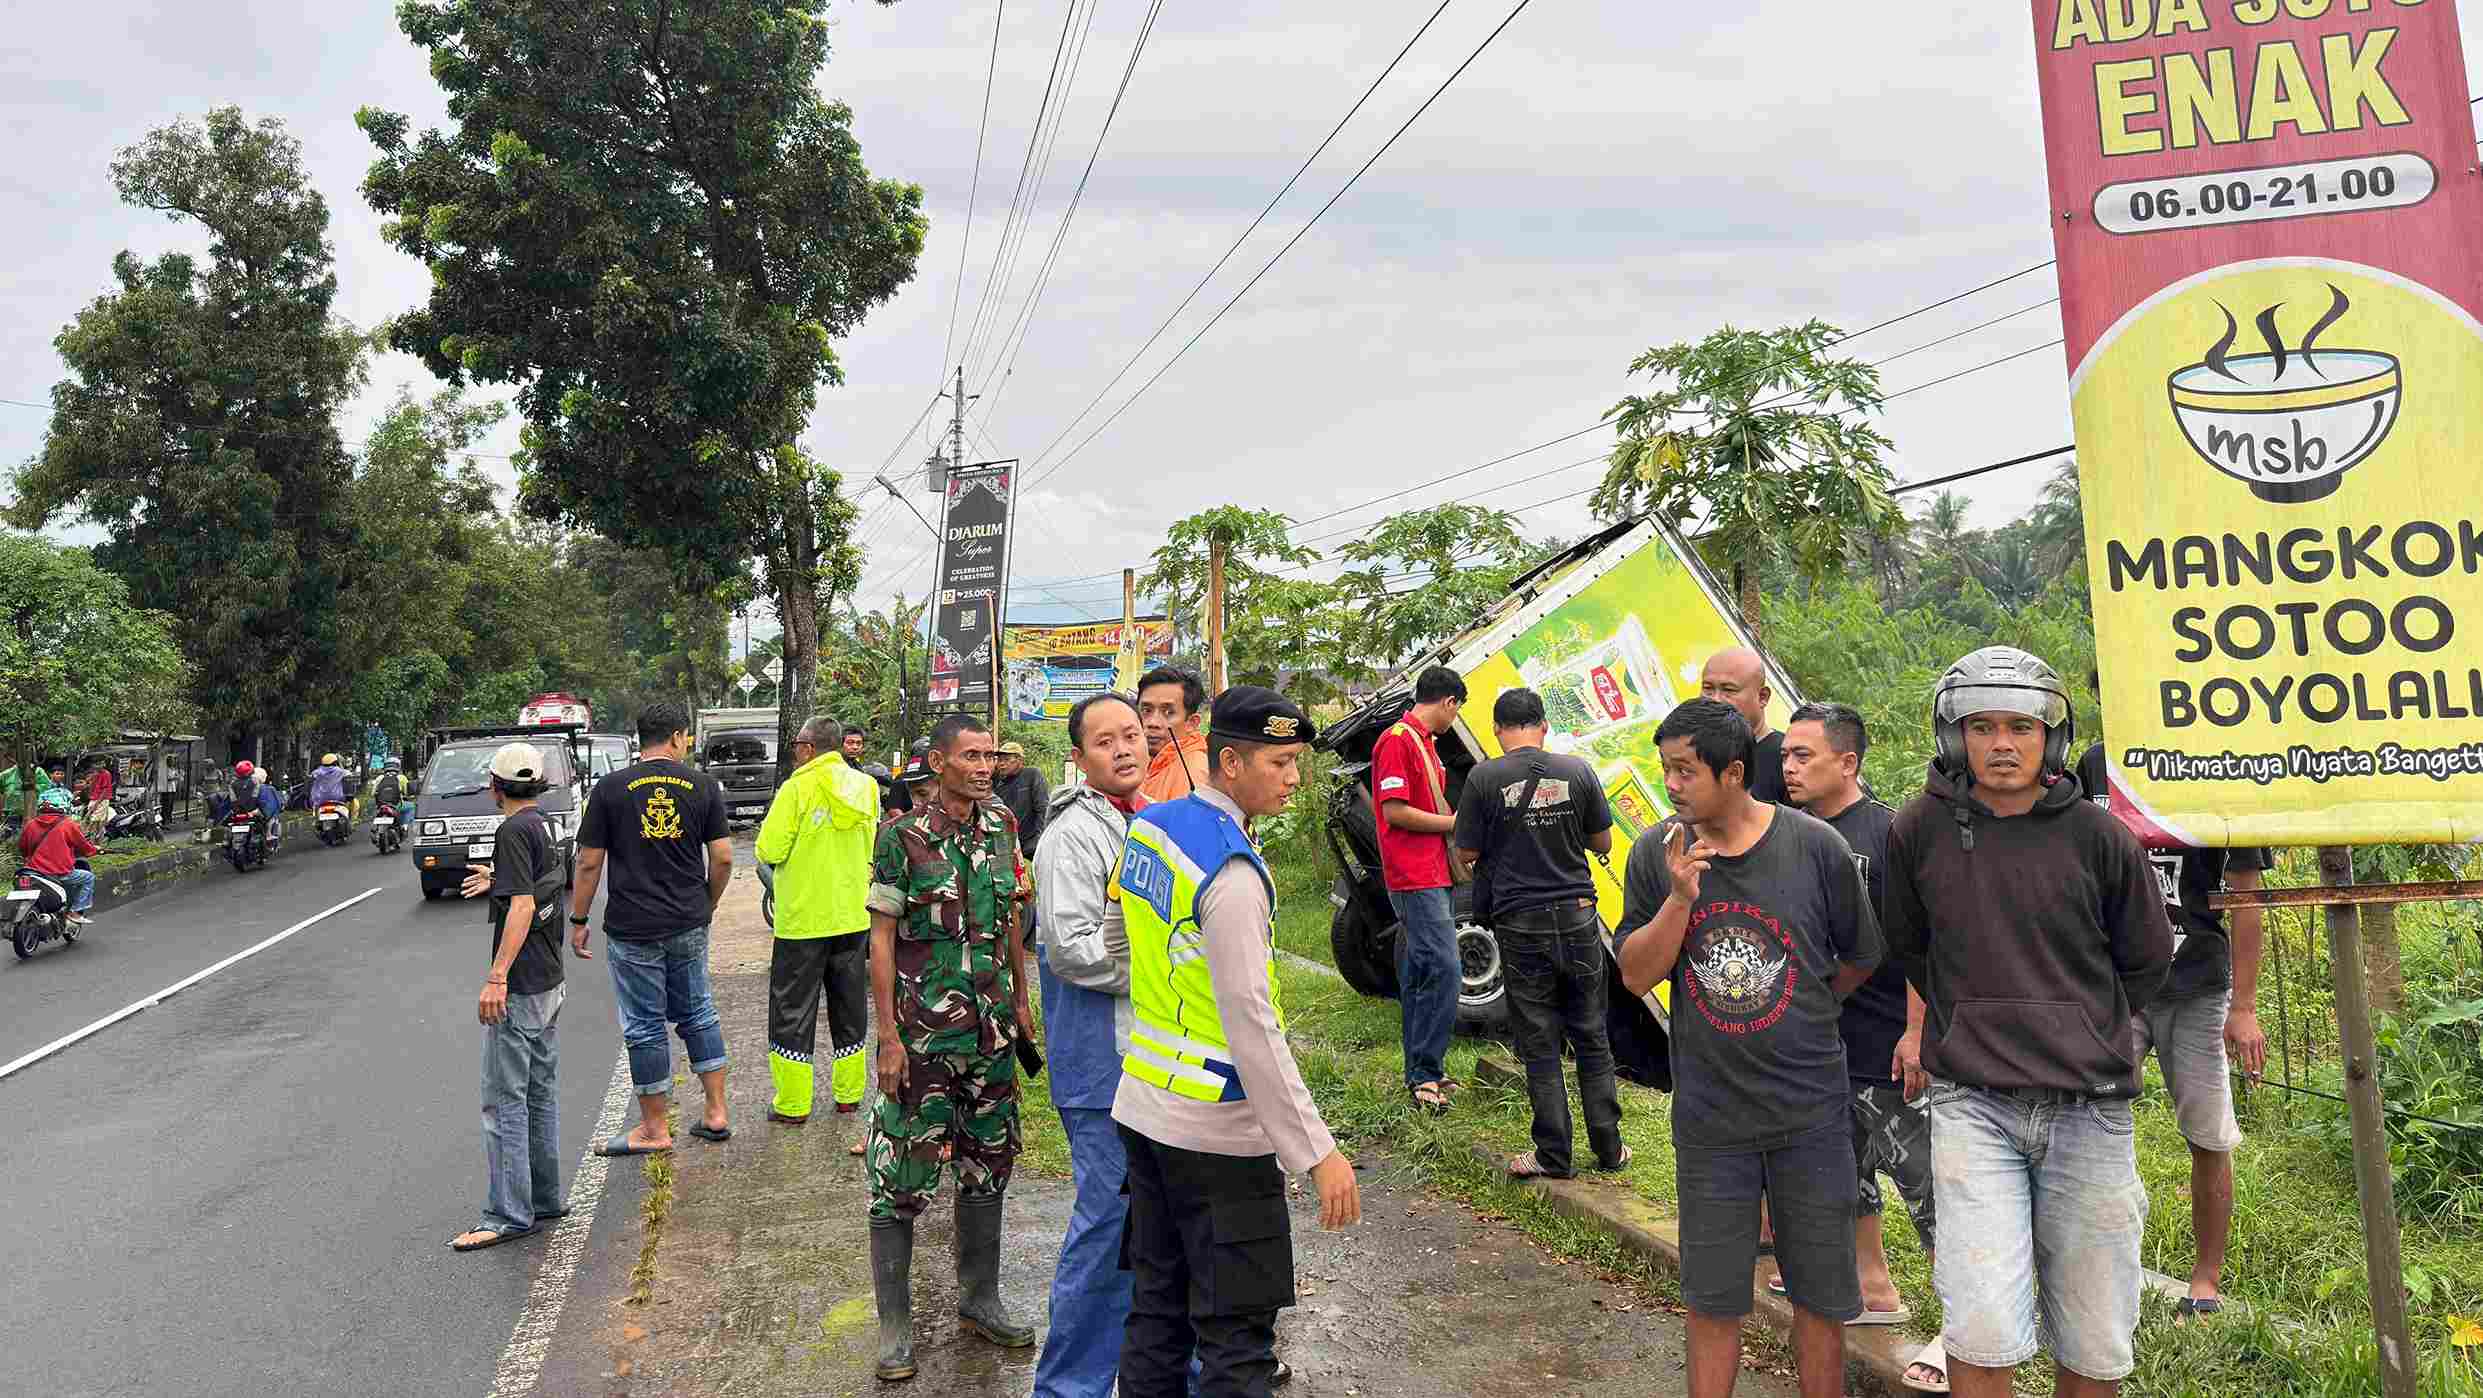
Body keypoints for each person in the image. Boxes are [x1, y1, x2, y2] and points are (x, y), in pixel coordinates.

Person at [1882, 647, 2173, 1398]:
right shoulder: (1916, 831)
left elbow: (2144, 960)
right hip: (1970, 1104)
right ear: (1952, 736)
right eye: (1980, 726)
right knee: (1980, 1326)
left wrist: (2077, 1028)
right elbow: (1911, 947)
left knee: (2093, 1332)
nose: (2001, 744)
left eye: (2020, 726)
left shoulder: (2099, 837)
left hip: (2089, 1109)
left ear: (2053, 736)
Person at [1616, 697, 1882, 1398]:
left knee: (1821, 1298)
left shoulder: (1813, 847)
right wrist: (1679, 898)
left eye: (1684, 772)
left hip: (1811, 1116)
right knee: (1712, 1298)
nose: (1671, 786)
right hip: (1711, 1121)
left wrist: (1806, 1012)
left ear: (1733, 773)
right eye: (1664, 770)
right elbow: (1637, 974)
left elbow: (1855, 956)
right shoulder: (1656, 853)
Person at [1114, 685, 1359, 1398]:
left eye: (1295, 763)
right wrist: (1316, 1152)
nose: (1292, 779)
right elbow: (1252, 1025)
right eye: (1279, 762)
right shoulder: (1230, 872)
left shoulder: (1153, 829)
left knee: (1158, 1314)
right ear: (1228, 762)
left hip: (1145, 1111)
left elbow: (1120, 935)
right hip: (1218, 1132)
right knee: (1236, 1339)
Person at [866, 714, 1037, 1383]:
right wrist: (886, 1037)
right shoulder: (899, 837)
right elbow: (880, 940)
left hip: (991, 1034)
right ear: (937, 763)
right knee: (900, 1178)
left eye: (988, 754)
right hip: (923, 1039)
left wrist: (1022, 1003)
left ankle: (980, 1300)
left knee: (988, 1164)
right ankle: (894, 1327)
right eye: (969, 754)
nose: (983, 764)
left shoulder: (1002, 828)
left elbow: (1012, 919)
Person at [2076, 737, 2265, 1323]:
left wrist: (2245, 1006)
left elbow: (2246, 896)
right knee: (2092, 1123)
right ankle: (2102, 1265)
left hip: (2198, 987)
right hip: (2114, 988)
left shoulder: (2217, 760)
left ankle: (2204, 1279)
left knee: (2207, 1135)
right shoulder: (2094, 764)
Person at [1777, 702, 1926, 1329]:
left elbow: (1927, 942)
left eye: (1802, 755)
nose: (1787, 766)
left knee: (1929, 1188)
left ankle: (1970, 1327)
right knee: (1846, 1172)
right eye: (1784, 754)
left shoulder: (1890, 837)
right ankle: (1873, 1286)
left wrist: (1918, 1032)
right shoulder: (1789, 835)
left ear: (1848, 762)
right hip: (1820, 1044)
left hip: (1889, 1040)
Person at [1030, 692, 1152, 1398]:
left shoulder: (1148, 822)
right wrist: (1170, 965)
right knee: (1106, 1226)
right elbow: (1072, 951)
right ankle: (1068, 1387)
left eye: (1131, 734)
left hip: (1152, 1061)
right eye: (1104, 741)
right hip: (1100, 1064)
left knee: (1160, 1227)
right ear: (1078, 758)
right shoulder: (1071, 836)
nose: (1123, 749)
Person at [1452, 686, 1626, 1179]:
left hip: (1519, 921)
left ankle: (1554, 1155)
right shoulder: (1577, 771)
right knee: (1591, 1031)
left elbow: (1465, 854)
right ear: (1543, 725)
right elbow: (1602, 840)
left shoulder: (1484, 778)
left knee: (1540, 1039)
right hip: (1576, 914)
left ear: (1498, 730)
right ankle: (1610, 1149)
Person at [570, 700, 736, 1157]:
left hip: (632, 926)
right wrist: (707, 903)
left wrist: (580, 919)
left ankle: (654, 1128)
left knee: (644, 1026)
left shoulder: (609, 788)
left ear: (641, 737)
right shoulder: (702, 786)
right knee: (698, 1013)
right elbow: (722, 857)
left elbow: (588, 863)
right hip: (687, 920)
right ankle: (716, 1112)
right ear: (679, 736)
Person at [449, 742, 569, 1252]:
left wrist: (496, 976)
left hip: (521, 983)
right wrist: (498, 881)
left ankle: (508, 1213)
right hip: (550, 977)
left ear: (494, 787)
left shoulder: (510, 830)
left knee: (503, 1102)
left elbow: (522, 907)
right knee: (538, 1093)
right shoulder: (545, 825)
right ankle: (543, 1198)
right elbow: (537, 889)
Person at [755, 716, 881, 1125]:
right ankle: (849, 1096)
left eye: (797, 745)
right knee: (850, 1007)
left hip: (802, 921)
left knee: (792, 1009)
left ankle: (792, 1104)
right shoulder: (867, 787)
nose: (795, 753)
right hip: (852, 915)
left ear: (809, 748)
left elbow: (768, 848)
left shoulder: (797, 789)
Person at [1372, 664, 1467, 1113]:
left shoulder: (1425, 743)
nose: (1454, 719)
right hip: (1414, 875)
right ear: (1448, 702)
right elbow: (1393, 811)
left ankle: (1421, 1071)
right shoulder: (1397, 741)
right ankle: (1426, 1073)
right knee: (1446, 969)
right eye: (1456, 710)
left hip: (1433, 872)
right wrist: (1455, 824)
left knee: (1420, 972)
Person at [1701, 647, 1787, 804]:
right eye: (1708, 689)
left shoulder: (1786, 760)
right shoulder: (1696, 748)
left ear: (1762, 697)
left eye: (1728, 690)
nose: (1716, 700)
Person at [19, 787, 100, 925]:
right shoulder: (68, 824)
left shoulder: (30, 824)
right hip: (59, 873)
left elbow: (23, 849)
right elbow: (85, 848)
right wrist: (94, 850)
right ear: (64, 804)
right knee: (88, 878)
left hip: (34, 872)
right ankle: (74, 912)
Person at [1136, 665, 1211, 802]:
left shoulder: (1195, 774)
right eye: (1146, 710)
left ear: (1192, 723)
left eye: (1168, 712)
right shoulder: (1138, 762)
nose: (1153, 722)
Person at [992, 740, 1050, 850]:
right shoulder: (997, 781)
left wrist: (1041, 839)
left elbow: (1043, 808)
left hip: (1030, 841)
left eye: (1007, 759)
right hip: (1006, 841)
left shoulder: (1032, 775)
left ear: (1019, 760)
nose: (1002, 764)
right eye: (999, 760)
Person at [80, 757, 116, 829]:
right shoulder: (95, 774)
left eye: (101, 763)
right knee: (90, 820)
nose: (99, 766)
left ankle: (93, 838)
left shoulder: (106, 774)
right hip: (93, 799)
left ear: (104, 764)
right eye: (96, 764)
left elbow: (105, 790)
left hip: (101, 800)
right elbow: (90, 786)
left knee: (95, 821)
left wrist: (97, 803)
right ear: (93, 765)